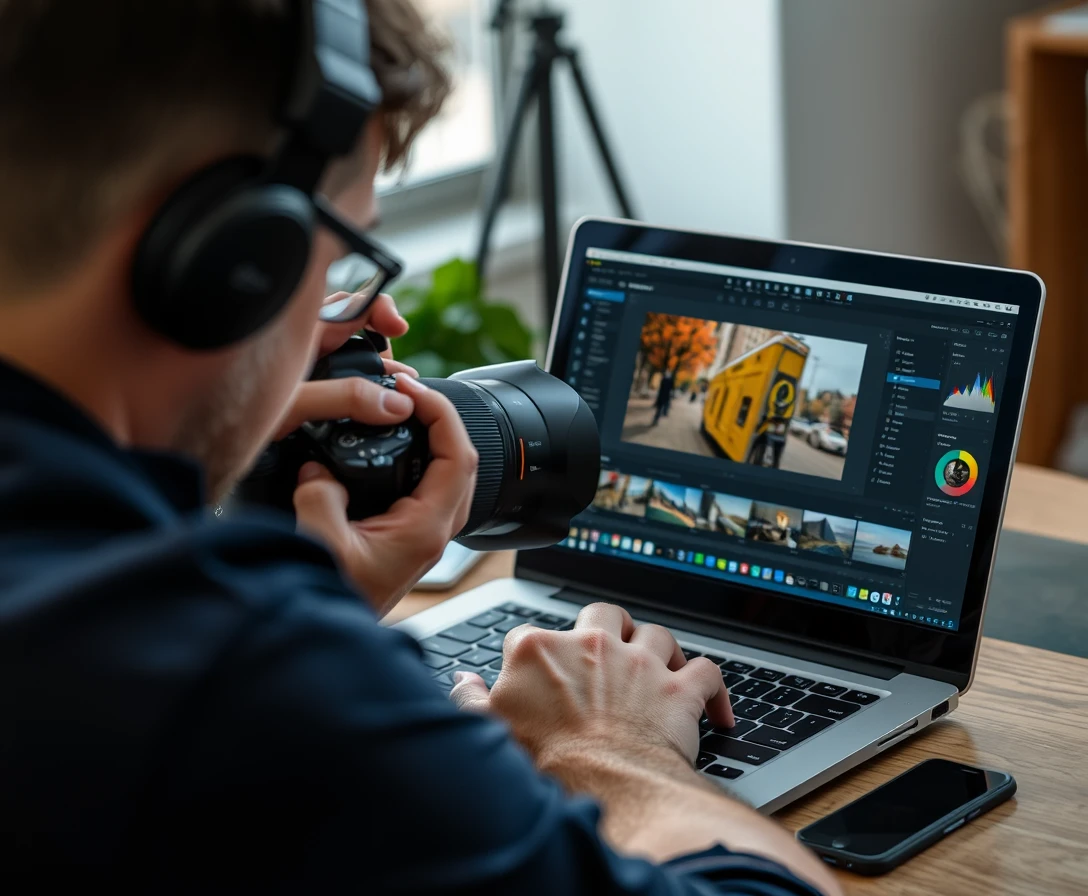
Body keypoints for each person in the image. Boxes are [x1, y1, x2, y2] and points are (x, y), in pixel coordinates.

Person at [0, 2, 841, 893]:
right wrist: (608, 746)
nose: (347, 318)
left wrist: (312, 603)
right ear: (231, 265)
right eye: (332, 268)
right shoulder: (234, 674)